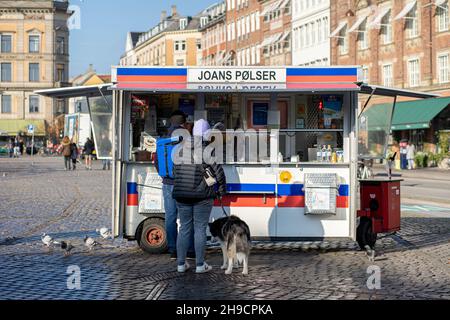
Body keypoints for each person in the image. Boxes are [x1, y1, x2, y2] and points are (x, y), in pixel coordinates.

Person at [172, 119, 227, 274]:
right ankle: (200, 265)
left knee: (183, 229)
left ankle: (181, 264)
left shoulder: (180, 149)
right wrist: (221, 191)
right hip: (202, 196)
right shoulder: (207, 150)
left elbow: (175, 171)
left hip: (181, 196)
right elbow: (219, 174)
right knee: (200, 229)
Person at [156, 111, 195, 260]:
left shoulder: (164, 139)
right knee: (187, 217)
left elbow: (157, 162)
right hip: (184, 183)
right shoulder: (187, 138)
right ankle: (190, 249)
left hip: (167, 183)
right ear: (184, 123)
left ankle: (173, 250)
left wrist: (165, 176)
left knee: (170, 217)